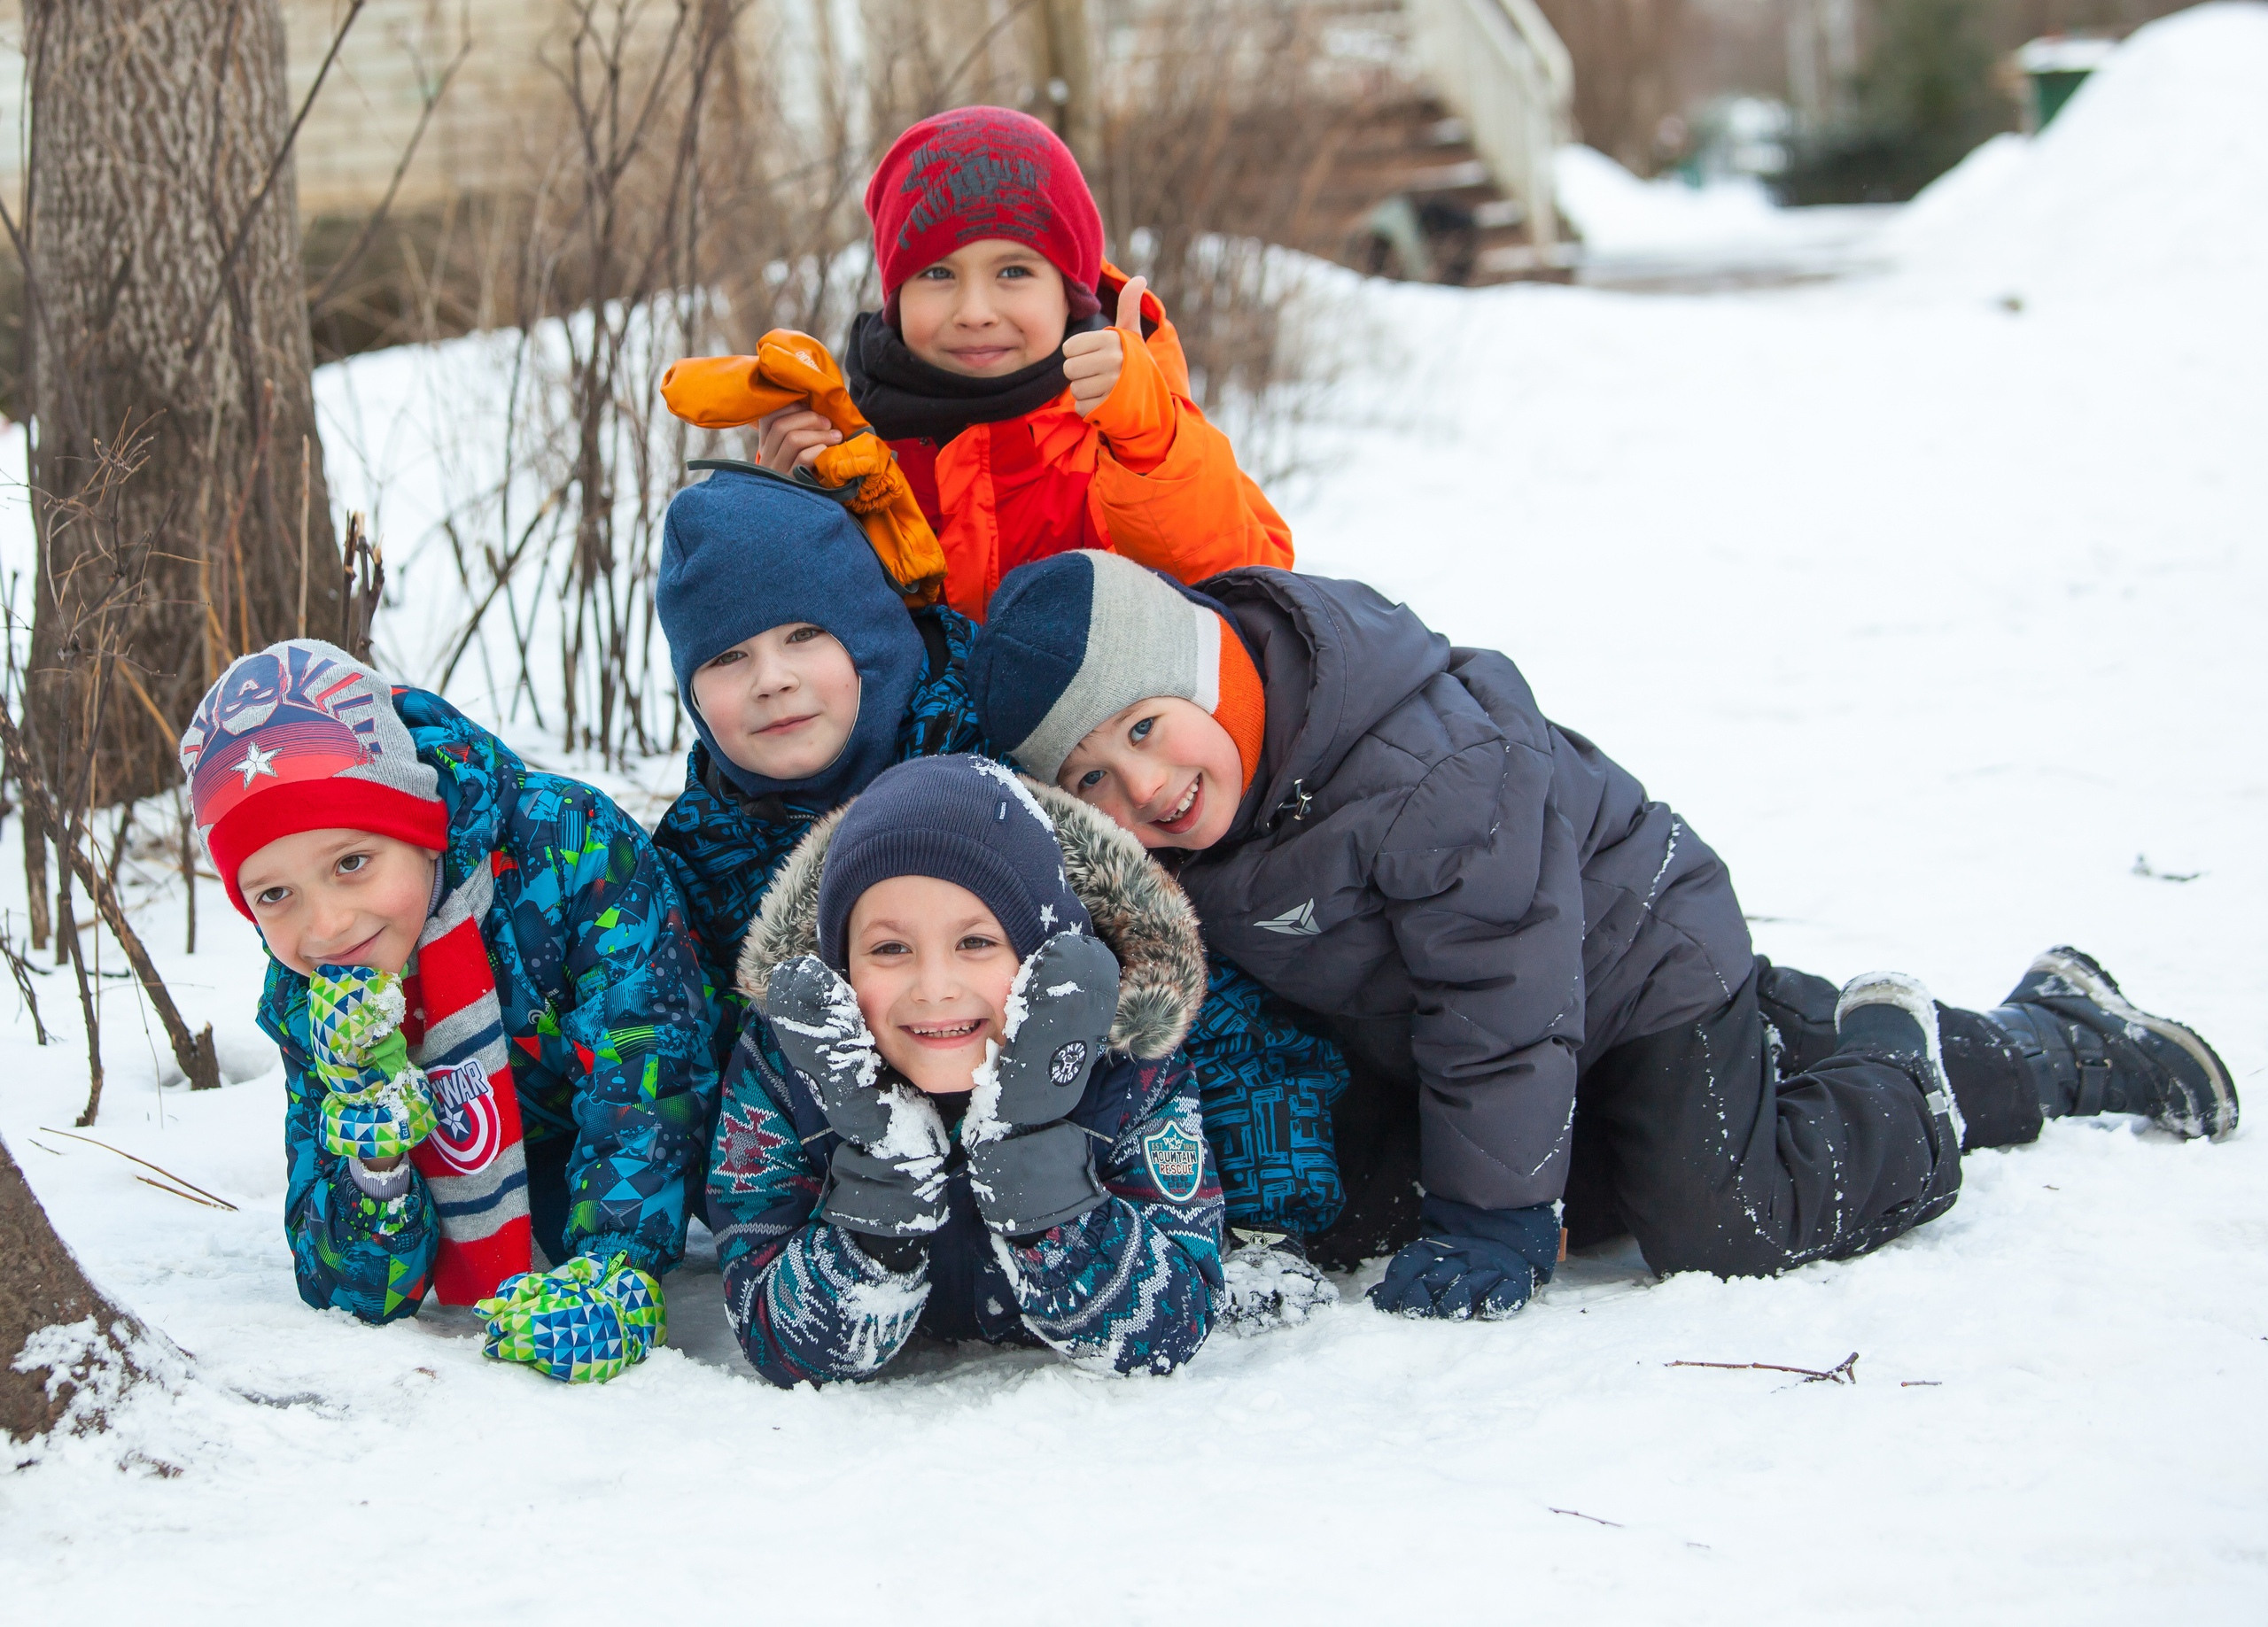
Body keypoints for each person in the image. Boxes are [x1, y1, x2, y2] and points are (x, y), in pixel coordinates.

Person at [965, 551, 2241, 1318]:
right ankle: (1886, 1027)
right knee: (1540, 1176)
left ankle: (1941, 1064)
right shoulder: (1220, 801)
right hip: (1501, 1014)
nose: (1145, 790)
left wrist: (1495, 1219)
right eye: (1092, 782)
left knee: (1724, 1215)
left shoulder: (1427, 772)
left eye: (1143, 727)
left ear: (1202, 663)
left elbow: (1499, 999)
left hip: (1638, 966)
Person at [651, 462, 1350, 1329]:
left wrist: (1269, 1207)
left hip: (1079, 1141)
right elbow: (698, 1063)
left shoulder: (1006, 753)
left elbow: (1179, 957)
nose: (771, 679)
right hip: (872, 1176)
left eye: (803, 635)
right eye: (726, 658)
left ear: (871, 631)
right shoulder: (696, 854)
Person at [181, 639, 715, 1382]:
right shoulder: (308, 989)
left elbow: (651, 1068)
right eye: (275, 894)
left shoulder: (568, 847)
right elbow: (349, 1291)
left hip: (625, 1144)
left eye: (351, 862)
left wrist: (616, 1263)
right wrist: (374, 1158)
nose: (327, 925)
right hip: (524, 1173)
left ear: (418, 824)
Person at [661, 104, 1293, 623]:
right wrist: (783, 511)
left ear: (1069, 291)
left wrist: (1151, 444)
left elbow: (1253, 597)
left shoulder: (1132, 433)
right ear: (896, 296)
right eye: (937, 273)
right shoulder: (850, 454)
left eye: (1014, 271)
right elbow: (773, 663)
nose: (975, 310)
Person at [707, 753, 1223, 1384]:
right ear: (842, 966)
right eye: (890, 948)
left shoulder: (1126, 1071)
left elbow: (1172, 1324)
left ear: (1040, 951)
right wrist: (879, 1201)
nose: (935, 986)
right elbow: (772, 1333)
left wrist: (1043, 1179)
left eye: (975, 942)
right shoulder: (787, 1067)